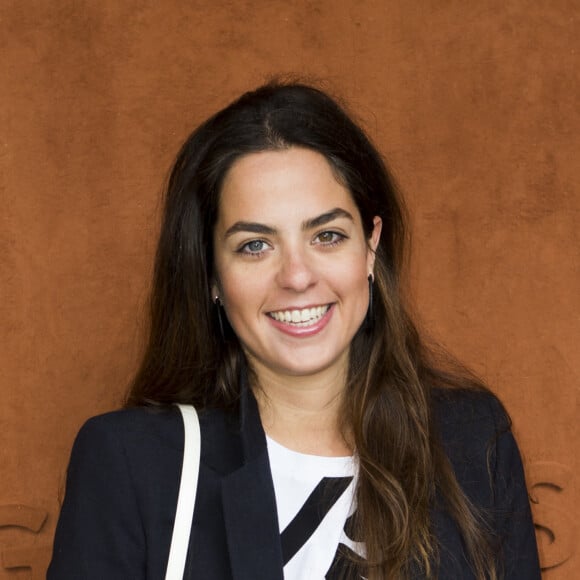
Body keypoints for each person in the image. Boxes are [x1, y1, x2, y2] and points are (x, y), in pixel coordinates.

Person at [48, 81, 541, 579]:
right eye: (255, 245)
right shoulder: (133, 465)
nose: (298, 276)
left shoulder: (473, 443)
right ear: (211, 274)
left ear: (370, 246)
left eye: (327, 236)